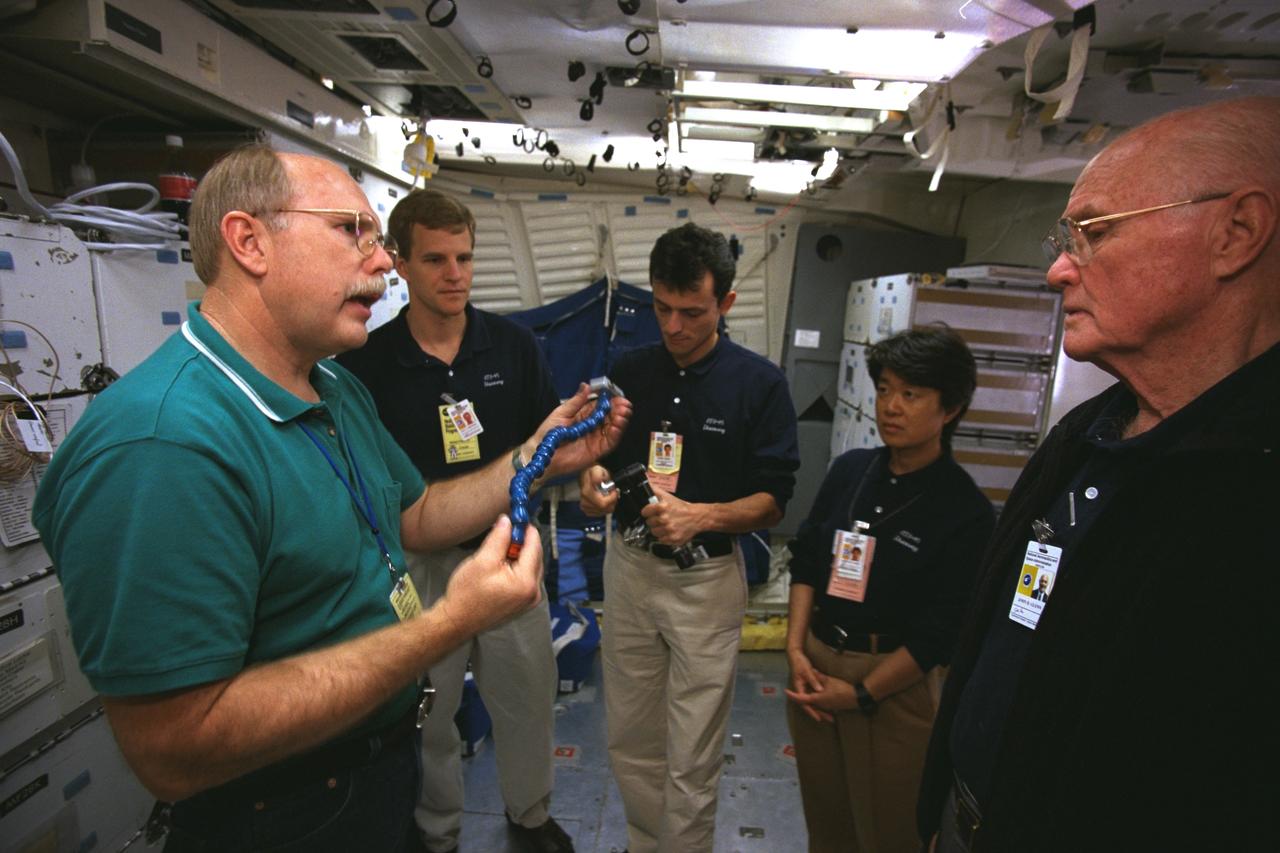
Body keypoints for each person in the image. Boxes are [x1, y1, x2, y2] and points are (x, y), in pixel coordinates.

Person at [31, 144, 630, 852]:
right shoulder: (163, 443)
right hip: (279, 816)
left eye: (379, 240)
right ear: (249, 241)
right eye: (352, 232)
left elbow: (417, 515)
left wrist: (540, 454)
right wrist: (447, 625)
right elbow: (171, 747)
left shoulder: (332, 389)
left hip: (371, 784)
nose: (382, 262)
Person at [918, 96, 1280, 852]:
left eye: (1094, 233)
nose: (1056, 269)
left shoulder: (1252, 489)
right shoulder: (1085, 438)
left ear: (1236, 233)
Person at [337, 189, 571, 853]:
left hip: (505, 553)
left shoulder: (514, 347)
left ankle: (530, 816)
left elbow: (547, 447)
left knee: (526, 699)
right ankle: (437, 832)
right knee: (430, 714)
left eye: (464, 257)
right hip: (420, 567)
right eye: (435, 259)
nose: (455, 273)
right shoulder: (366, 366)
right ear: (400, 265)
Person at [579, 221, 800, 853]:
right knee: (631, 737)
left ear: (725, 303)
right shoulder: (630, 368)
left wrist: (699, 515)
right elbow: (600, 450)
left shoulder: (759, 385)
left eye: (691, 312)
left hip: (703, 581)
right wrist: (593, 479)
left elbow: (773, 500)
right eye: (662, 308)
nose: (673, 326)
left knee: (693, 751)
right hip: (629, 570)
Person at [784, 327, 995, 853]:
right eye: (883, 389)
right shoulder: (850, 471)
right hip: (816, 671)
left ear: (950, 410)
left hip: (891, 687)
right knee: (827, 830)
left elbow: (939, 634)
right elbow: (808, 559)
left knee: (888, 834)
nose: (889, 407)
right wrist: (794, 647)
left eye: (910, 394)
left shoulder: (963, 510)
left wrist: (859, 694)